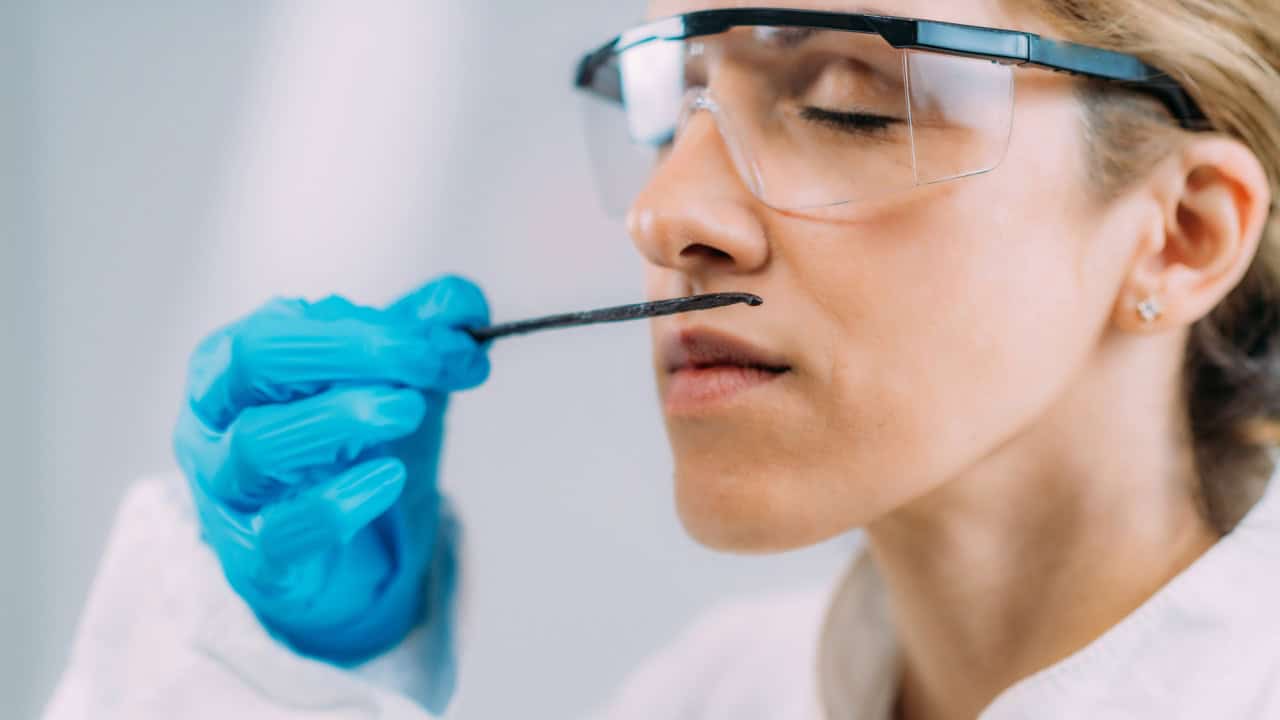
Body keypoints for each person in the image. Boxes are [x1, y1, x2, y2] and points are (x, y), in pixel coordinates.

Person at [44, 0, 1280, 718]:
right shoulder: (707, 697)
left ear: (1179, 236)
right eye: (676, 102)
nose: (662, 213)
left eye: (848, 99)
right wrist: (290, 677)